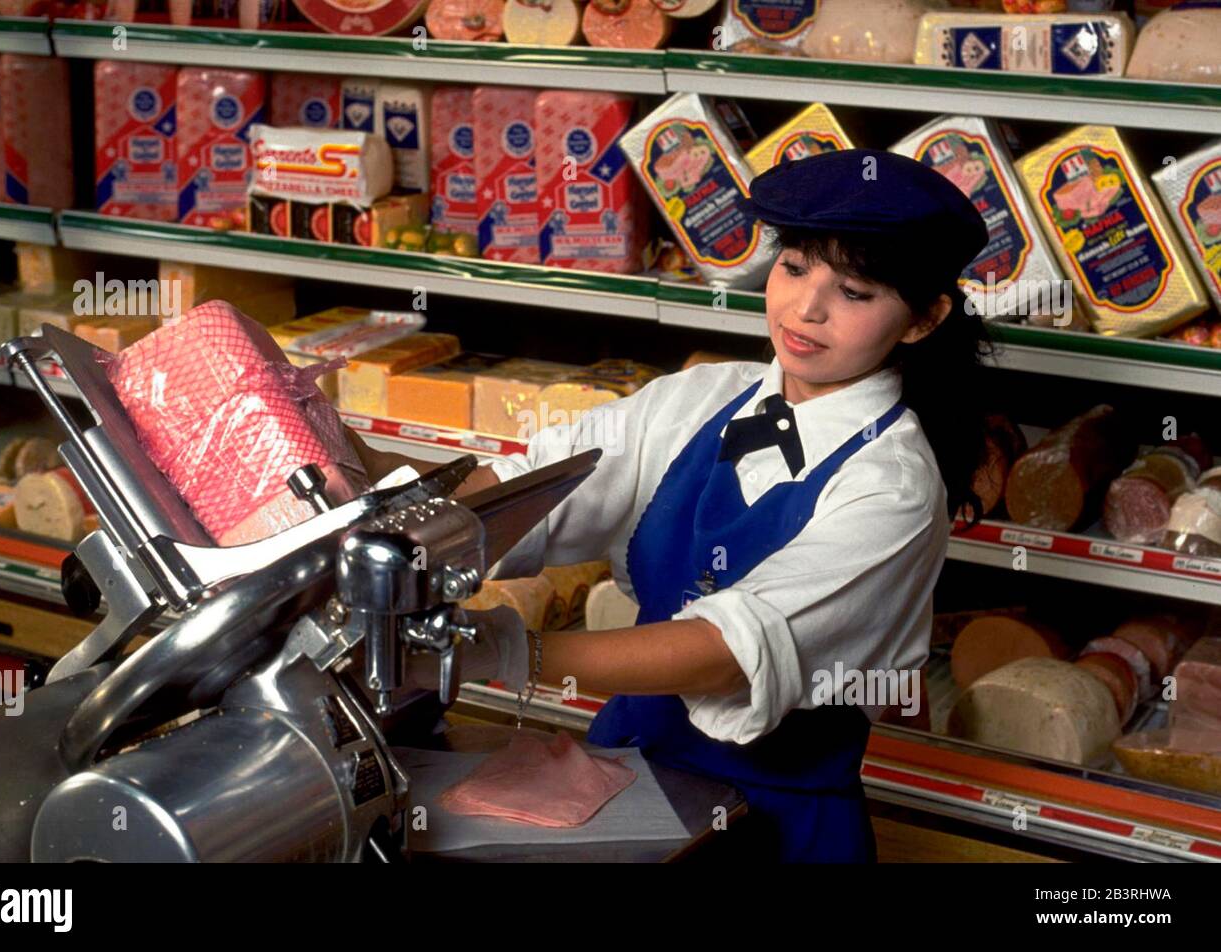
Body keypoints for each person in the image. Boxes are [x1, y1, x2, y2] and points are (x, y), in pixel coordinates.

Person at [348, 149, 992, 862]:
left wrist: (499, 649)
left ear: (924, 319)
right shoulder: (701, 399)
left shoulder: (894, 485)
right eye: (795, 267)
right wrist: (369, 482)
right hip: (622, 771)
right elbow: (527, 493)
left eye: (857, 292)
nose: (807, 309)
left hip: (779, 823)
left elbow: (726, 653)